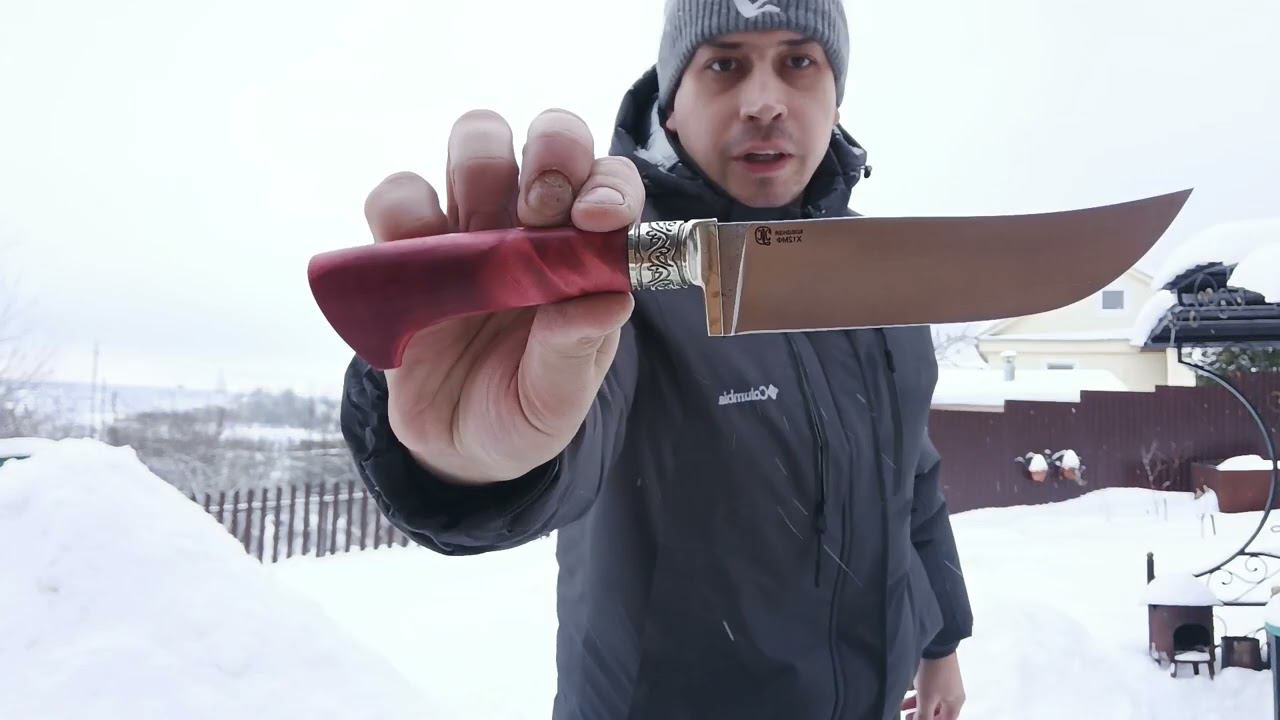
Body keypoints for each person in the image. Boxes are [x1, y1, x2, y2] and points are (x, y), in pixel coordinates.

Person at [340, 1, 973, 717]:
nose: (764, 101)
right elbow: (576, 442)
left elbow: (912, 477)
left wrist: (942, 641)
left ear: (837, 95)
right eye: (724, 64)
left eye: (799, 61)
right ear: (671, 105)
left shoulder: (878, 274)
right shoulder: (612, 275)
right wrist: (472, 465)